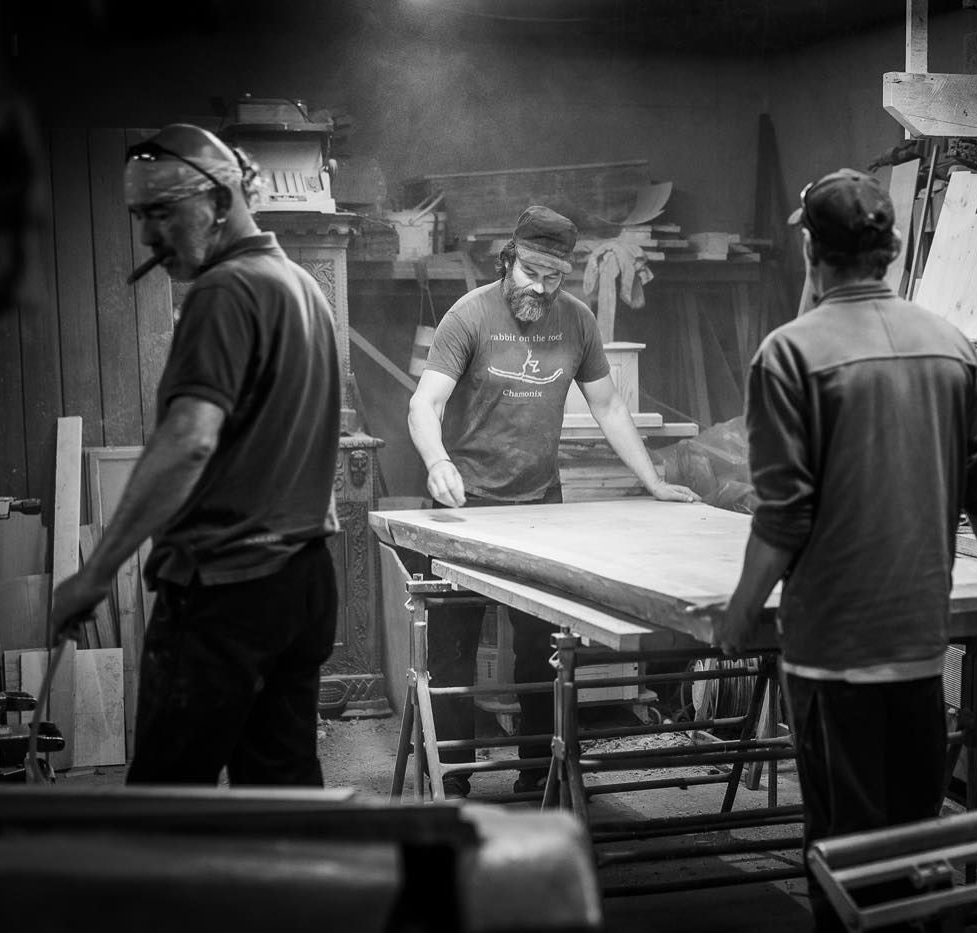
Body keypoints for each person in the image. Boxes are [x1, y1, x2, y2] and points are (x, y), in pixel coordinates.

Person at [704, 169, 977, 931]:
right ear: (887, 251)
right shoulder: (950, 346)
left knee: (846, 859)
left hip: (834, 655)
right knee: (914, 846)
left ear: (813, 251)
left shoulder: (790, 354)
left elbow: (782, 516)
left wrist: (738, 615)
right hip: (921, 645)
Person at [48, 123, 341, 787]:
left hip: (226, 594)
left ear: (218, 200)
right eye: (139, 217)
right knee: (283, 798)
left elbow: (189, 439)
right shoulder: (302, 288)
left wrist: (96, 571)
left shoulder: (223, 291)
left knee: (166, 802)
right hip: (300, 582)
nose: (148, 238)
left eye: (161, 213)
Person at [407, 204, 698, 797]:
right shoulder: (470, 315)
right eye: (531, 272)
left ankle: (535, 774)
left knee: (542, 647)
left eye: (554, 276)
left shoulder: (577, 321)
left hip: (541, 502)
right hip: (465, 502)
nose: (541, 287)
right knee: (454, 649)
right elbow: (425, 404)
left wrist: (652, 481)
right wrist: (438, 462)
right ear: (509, 258)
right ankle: (454, 777)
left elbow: (610, 406)